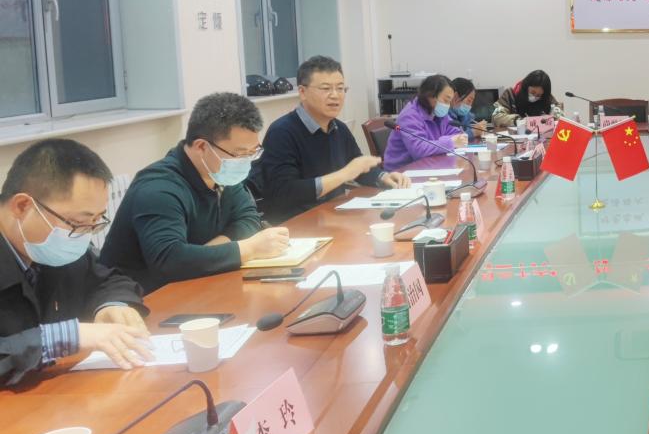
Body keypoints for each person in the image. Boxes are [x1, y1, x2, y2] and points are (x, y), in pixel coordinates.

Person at [100, 92, 290, 293]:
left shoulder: (222, 172)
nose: (245, 162)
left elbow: (248, 218)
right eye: (240, 153)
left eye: (252, 152)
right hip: (142, 296)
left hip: (196, 282)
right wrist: (248, 249)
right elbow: (169, 261)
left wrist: (204, 255)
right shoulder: (158, 188)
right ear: (201, 147)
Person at [1, 139, 153, 386]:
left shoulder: (54, 244)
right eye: (78, 222)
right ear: (22, 206)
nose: (85, 234)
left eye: (96, 221)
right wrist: (68, 336)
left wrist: (112, 305)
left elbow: (107, 279)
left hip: (52, 390)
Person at [259, 56, 410, 223]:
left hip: (333, 215)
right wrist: (344, 174)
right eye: (325, 89)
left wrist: (383, 176)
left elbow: (358, 166)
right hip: (297, 224)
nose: (335, 95)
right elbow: (285, 192)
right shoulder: (282, 132)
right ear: (302, 92)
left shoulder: (339, 128)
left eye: (340, 88)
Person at [383, 74, 469, 171]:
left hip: (428, 165)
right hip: (401, 172)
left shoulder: (438, 113)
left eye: (449, 102)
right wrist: (450, 142)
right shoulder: (409, 116)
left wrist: (453, 140)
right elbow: (419, 150)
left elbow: (456, 134)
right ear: (430, 95)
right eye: (445, 100)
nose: (447, 106)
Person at [492, 70, 560, 128]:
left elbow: (559, 116)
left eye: (538, 95)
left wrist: (552, 118)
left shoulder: (547, 98)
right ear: (526, 86)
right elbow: (496, 117)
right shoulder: (510, 94)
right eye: (533, 92)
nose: (535, 96)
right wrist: (518, 120)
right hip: (514, 137)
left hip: (541, 137)